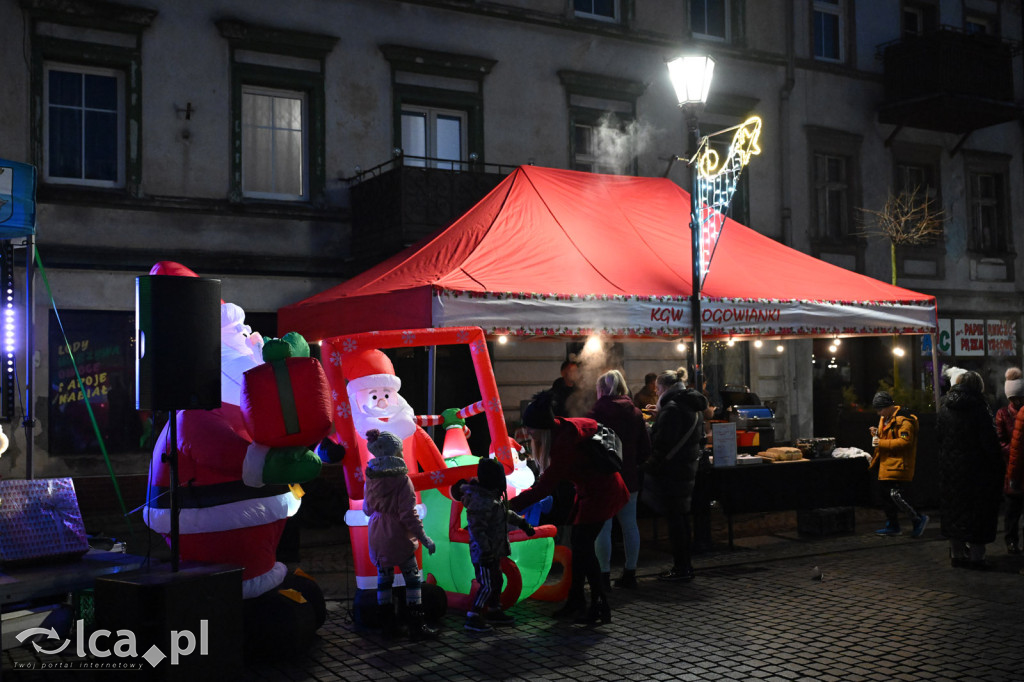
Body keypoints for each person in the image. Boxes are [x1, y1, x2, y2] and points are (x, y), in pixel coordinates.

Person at [509, 392, 629, 625]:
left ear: (542, 428)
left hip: (601, 494)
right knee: (579, 548)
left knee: (584, 549)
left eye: (531, 429)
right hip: (593, 491)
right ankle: (577, 602)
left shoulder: (562, 445)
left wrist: (510, 505)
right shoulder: (564, 427)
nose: (529, 433)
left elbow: (545, 487)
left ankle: (599, 605)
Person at [362, 429, 438, 640]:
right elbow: (408, 514)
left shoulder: (370, 477)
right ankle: (416, 624)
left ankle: (387, 626)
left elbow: (367, 509)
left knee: (383, 577)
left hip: (377, 530)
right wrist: (424, 538)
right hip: (398, 533)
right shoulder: (402, 480)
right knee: (412, 577)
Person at [451, 457, 536, 632]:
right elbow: (477, 530)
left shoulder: (491, 498)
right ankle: (473, 616)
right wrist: (486, 550)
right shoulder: (481, 501)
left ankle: (493, 610)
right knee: (488, 584)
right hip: (484, 554)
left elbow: (505, 514)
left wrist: (522, 524)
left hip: (493, 551)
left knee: (496, 580)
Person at [586, 369, 651, 589]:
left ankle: (603, 574)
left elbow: (590, 447)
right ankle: (630, 572)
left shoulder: (596, 413)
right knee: (629, 525)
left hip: (604, 477)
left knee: (603, 527)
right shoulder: (635, 413)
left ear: (601, 389)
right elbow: (645, 449)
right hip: (629, 476)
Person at [646, 367, 709, 582]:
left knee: (676, 523)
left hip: (673, 473)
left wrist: (648, 466)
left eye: (657, 389)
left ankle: (682, 568)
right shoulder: (688, 404)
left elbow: (663, 444)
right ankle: (684, 566)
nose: (656, 393)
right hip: (686, 470)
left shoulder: (673, 409)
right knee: (682, 519)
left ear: (664, 387)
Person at [936, 371, 1004, 569]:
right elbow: (989, 444)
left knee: (954, 511)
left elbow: (938, 437)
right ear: (978, 386)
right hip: (977, 471)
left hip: (950, 471)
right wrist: (998, 466)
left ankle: (956, 554)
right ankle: (977, 557)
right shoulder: (980, 408)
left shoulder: (944, 407)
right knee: (978, 513)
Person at [868, 390, 930, 538]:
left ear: (889, 406)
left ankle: (918, 519)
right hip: (886, 464)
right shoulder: (886, 418)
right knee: (887, 497)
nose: (879, 413)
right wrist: (877, 433)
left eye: (880, 409)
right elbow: (889, 435)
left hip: (898, 465)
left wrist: (880, 442)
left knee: (897, 496)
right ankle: (893, 525)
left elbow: (905, 442)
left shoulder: (904, 419)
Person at [996, 368, 1024, 554]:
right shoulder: (1002, 414)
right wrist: (1014, 450)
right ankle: (1011, 540)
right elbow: (1000, 441)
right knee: (1012, 510)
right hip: (1011, 467)